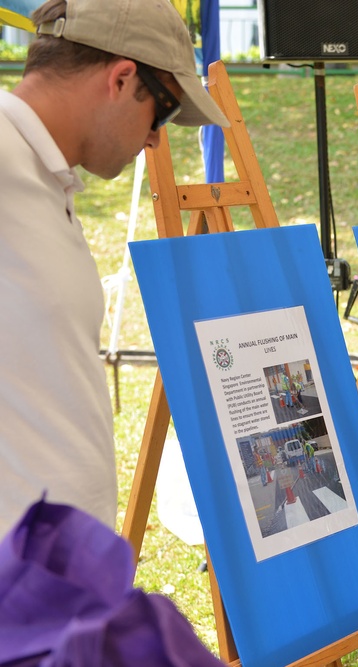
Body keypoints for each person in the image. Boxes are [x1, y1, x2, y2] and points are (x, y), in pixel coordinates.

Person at [0, 0, 229, 537]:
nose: (156, 138)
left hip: (58, 577)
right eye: (165, 112)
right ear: (123, 79)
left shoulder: (43, 170)